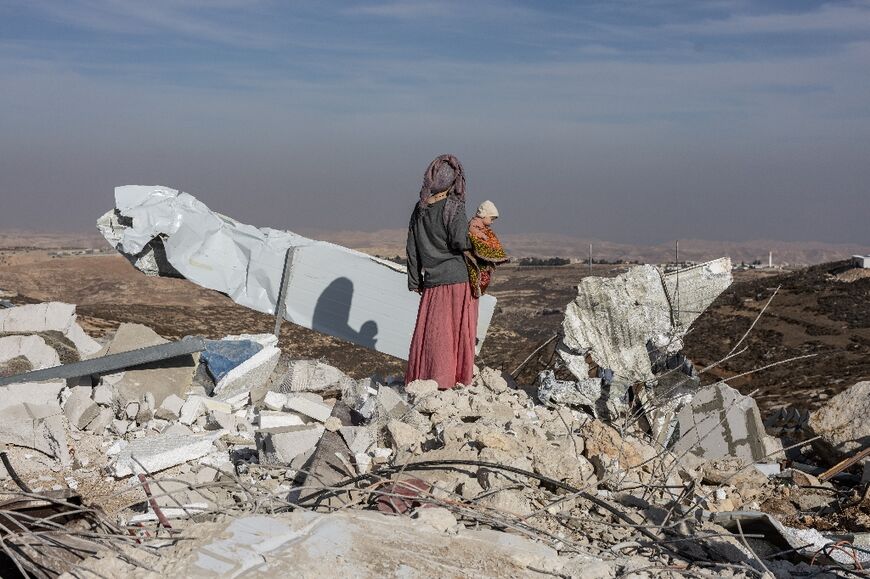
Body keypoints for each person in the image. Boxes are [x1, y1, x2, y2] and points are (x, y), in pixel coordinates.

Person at [405, 154, 477, 390]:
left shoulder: (420, 209)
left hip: (432, 281)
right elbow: (460, 241)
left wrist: (415, 280)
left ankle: (428, 380)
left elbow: (412, 247)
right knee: (455, 332)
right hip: (457, 279)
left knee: (434, 333)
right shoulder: (454, 207)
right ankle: (453, 380)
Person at [465, 200, 509, 298]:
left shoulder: (484, 227)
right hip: (474, 255)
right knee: (480, 274)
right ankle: (477, 287)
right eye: (491, 218)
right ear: (484, 215)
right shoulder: (474, 222)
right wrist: (481, 235)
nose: (492, 222)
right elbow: (471, 229)